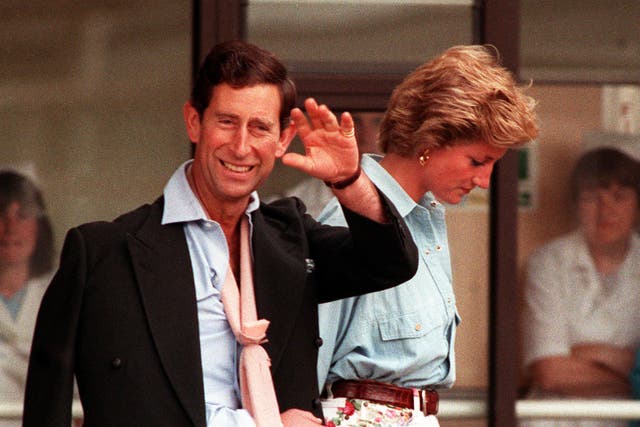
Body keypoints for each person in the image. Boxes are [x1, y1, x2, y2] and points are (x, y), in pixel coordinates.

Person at [22, 40, 418, 427]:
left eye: (260, 127)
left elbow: (389, 263)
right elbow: (47, 404)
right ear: (194, 122)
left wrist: (349, 179)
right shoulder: (102, 254)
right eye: (226, 122)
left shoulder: (292, 239)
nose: (241, 146)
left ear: (282, 139)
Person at [316, 45, 539, 426]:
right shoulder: (348, 218)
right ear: (430, 142)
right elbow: (306, 361)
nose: (484, 181)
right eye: (477, 161)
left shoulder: (428, 221)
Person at [521, 147, 640, 427]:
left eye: (619, 197)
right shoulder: (548, 262)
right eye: (591, 198)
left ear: (637, 207)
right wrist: (633, 373)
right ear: (576, 206)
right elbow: (550, 372)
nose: (606, 209)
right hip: (553, 420)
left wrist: (593, 353)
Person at [0, 171, 54, 427]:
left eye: (22, 215)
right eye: (0, 214)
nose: (9, 228)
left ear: (39, 226)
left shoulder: (60, 295)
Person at [282, 111, 383, 217]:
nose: (365, 136)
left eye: (377, 122)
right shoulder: (290, 205)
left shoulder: (397, 199)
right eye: (354, 122)